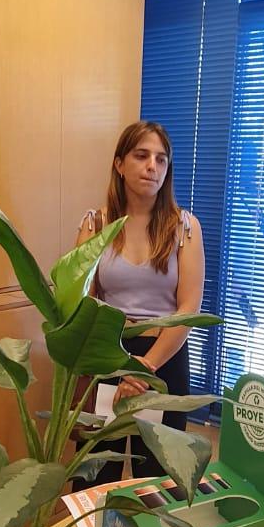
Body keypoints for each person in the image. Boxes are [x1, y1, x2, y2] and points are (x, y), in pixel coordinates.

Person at [76, 120, 205, 483]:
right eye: (142, 156)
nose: (152, 166)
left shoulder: (185, 228)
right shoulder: (95, 224)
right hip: (108, 358)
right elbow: (83, 305)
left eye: (161, 159)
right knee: (94, 476)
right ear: (119, 164)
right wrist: (121, 368)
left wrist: (143, 369)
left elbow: (188, 309)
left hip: (163, 359)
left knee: (158, 480)